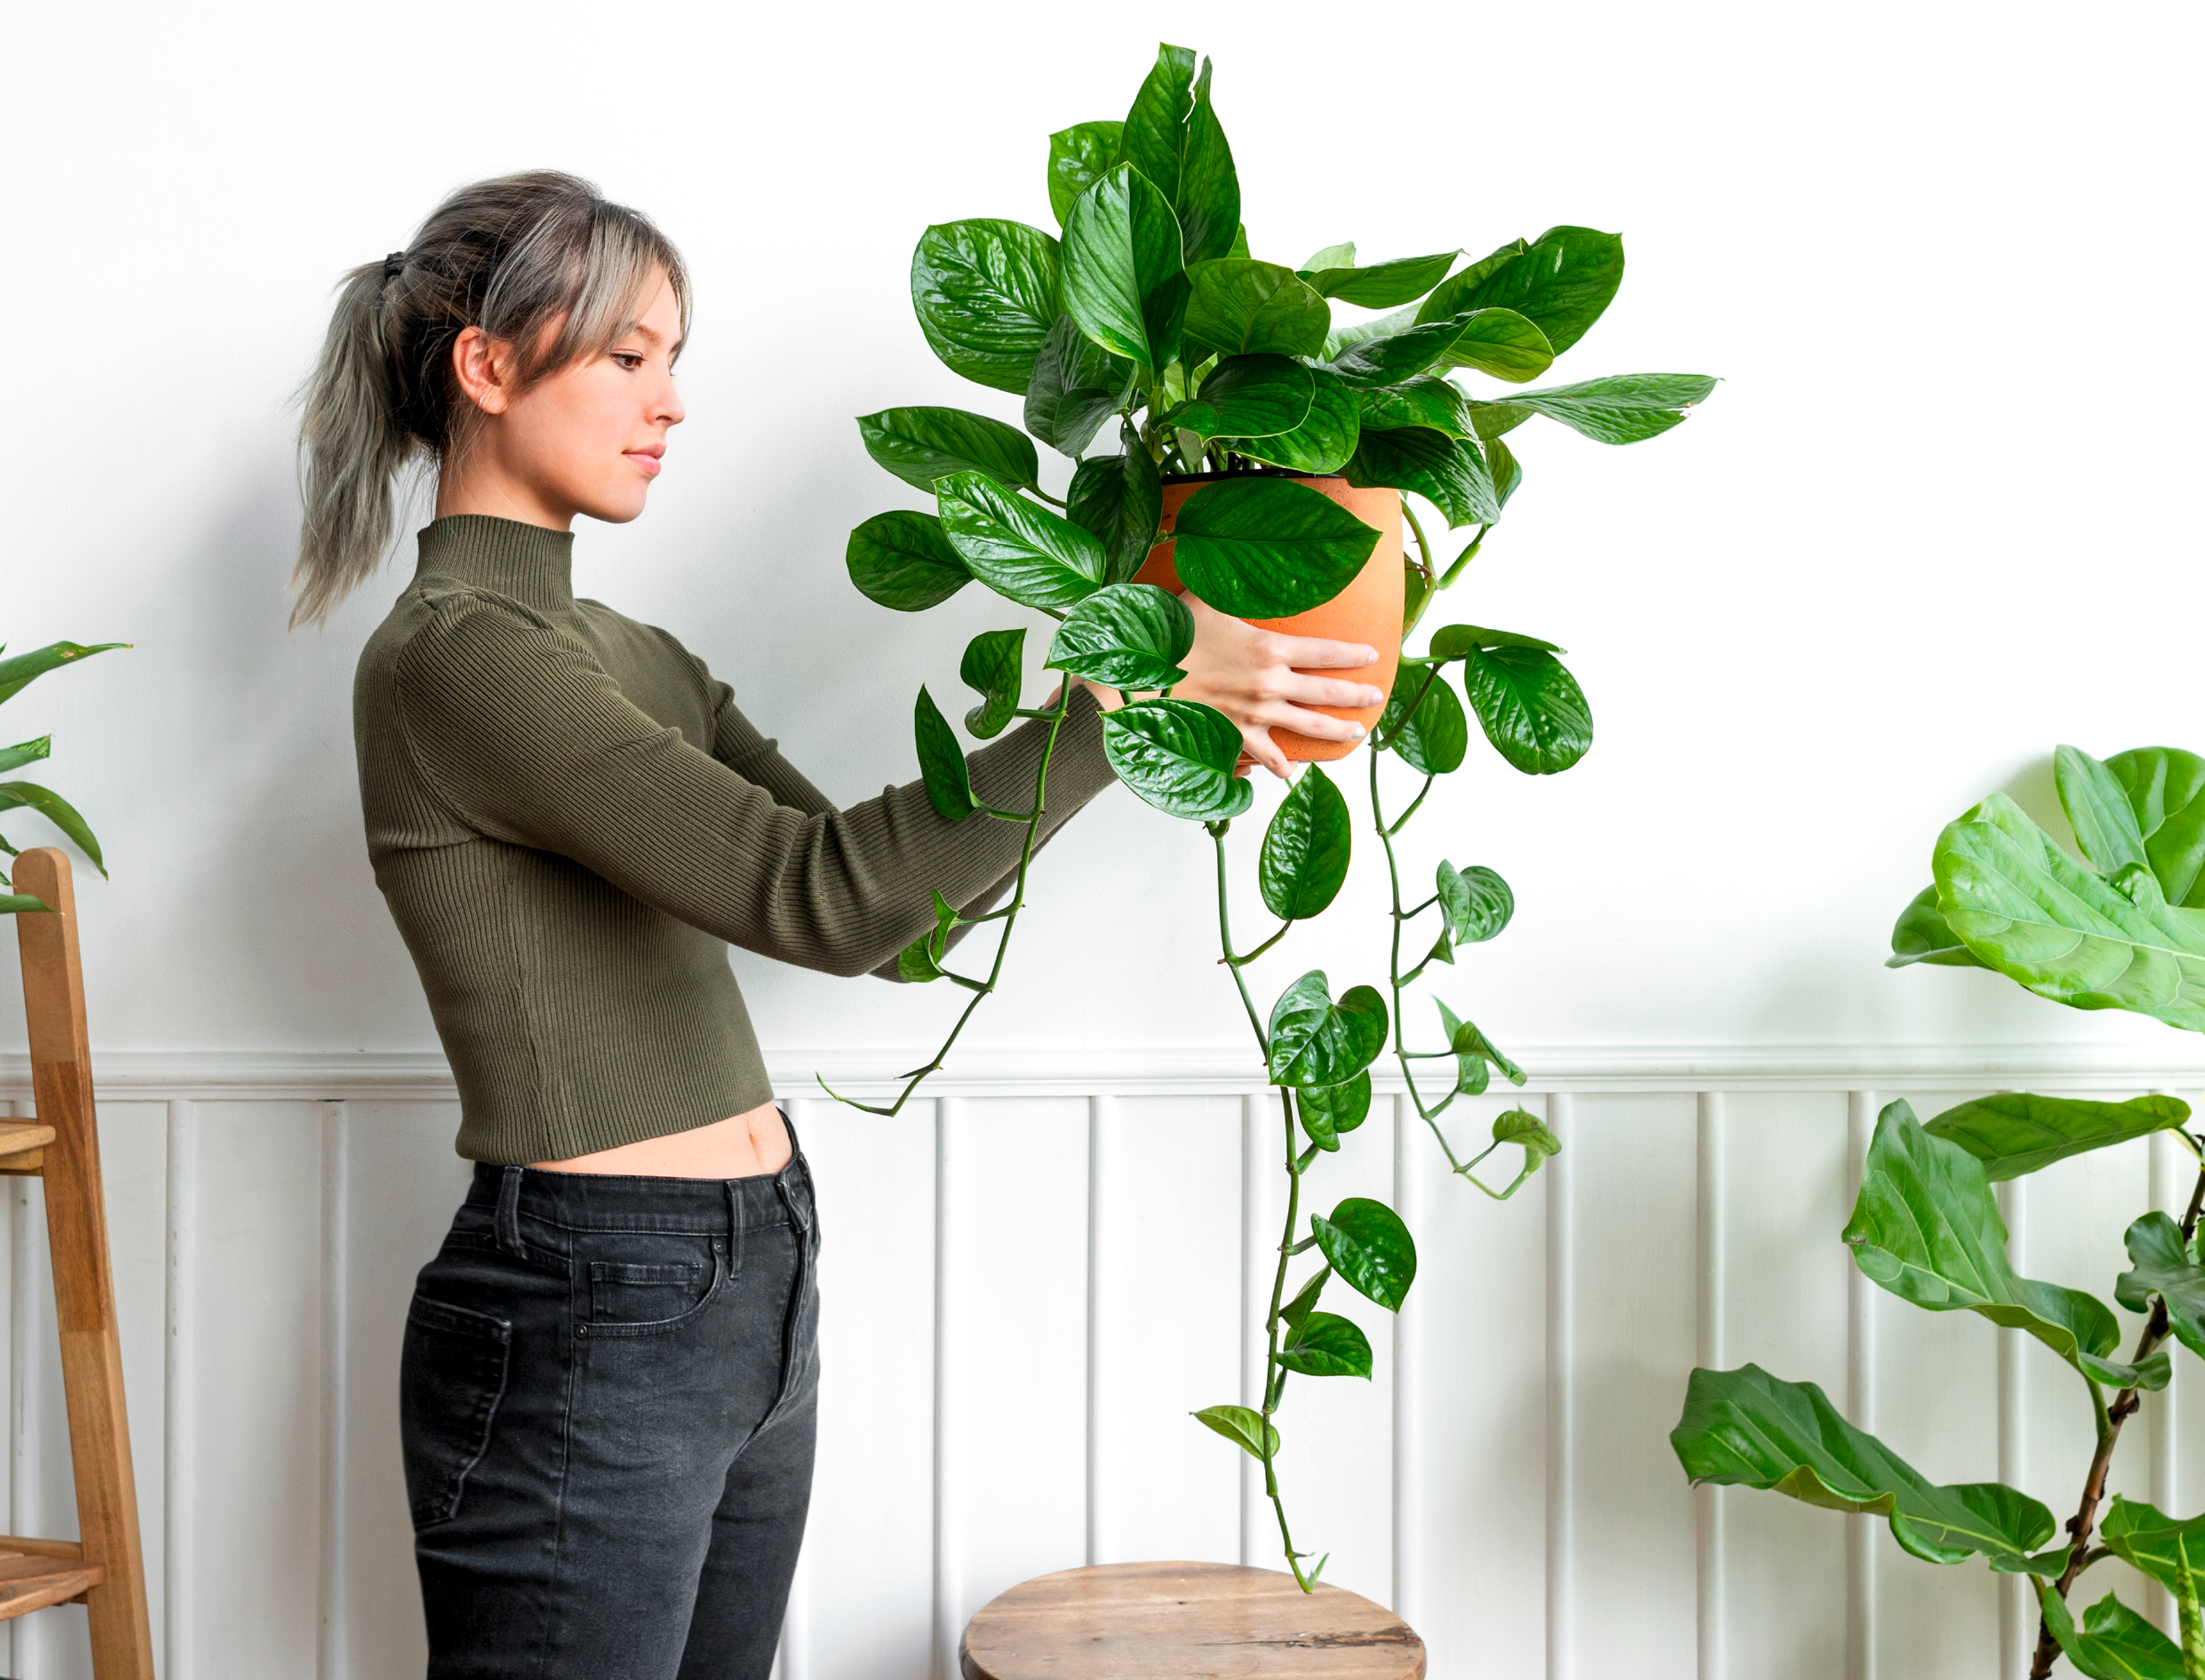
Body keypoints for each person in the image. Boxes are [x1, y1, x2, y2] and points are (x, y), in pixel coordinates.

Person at [291, 170, 1385, 1680]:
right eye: (627, 356)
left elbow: (890, 895)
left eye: (673, 359)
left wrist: (1141, 685)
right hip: (595, 1302)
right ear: (485, 365)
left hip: (752, 1274)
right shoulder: (460, 659)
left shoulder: (625, 651)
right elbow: (830, 903)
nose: (670, 402)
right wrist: (1122, 690)